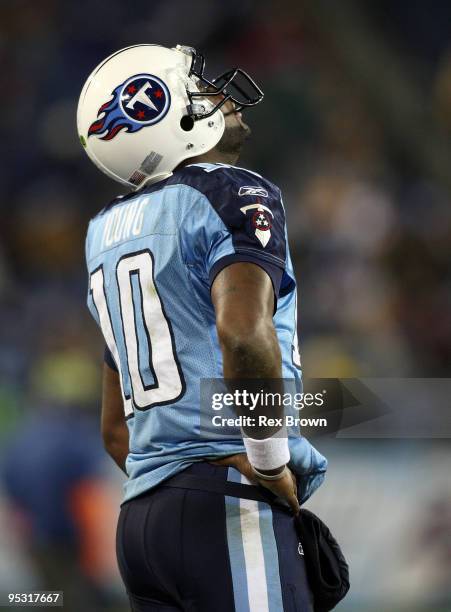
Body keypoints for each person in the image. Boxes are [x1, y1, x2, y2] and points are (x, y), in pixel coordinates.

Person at [78, 43, 327, 611]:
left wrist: (176, 483)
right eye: (196, 86)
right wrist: (268, 461)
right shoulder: (231, 190)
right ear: (156, 112)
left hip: (142, 523)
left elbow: (117, 430)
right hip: (227, 501)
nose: (216, 94)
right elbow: (242, 333)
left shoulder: (103, 230)